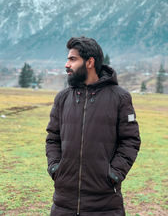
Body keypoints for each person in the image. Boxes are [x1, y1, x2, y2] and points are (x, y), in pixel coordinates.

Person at [46, 37, 141, 216]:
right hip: (64, 203)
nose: (67, 65)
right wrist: (55, 168)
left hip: (105, 204)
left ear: (90, 62)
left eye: (73, 59)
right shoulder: (63, 98)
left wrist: (114, 174)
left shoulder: (120, 98)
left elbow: (130, 140)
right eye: (67, 59)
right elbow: (53, 137)